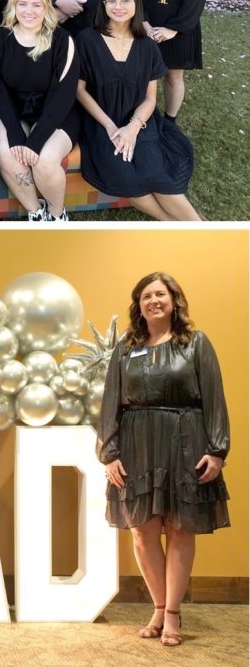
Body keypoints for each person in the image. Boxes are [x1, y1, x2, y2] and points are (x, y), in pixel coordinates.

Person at [98, 272, 230, 648]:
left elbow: (214, 398)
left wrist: (217, 449)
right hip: (137, 443)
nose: (153, 301)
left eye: (160, 294)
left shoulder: (196, 343)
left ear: (174, 300)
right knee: (141, 530)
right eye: (145, 296)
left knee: (178, 528)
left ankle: (171, 613)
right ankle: (158, 606)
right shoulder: (126, 347)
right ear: (138, 306)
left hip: (186, 441)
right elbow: (111, 400)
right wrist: (109, 452)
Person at [77, 0, 200, 220]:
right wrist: (111, 126)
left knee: (155, 172)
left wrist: (133, 127)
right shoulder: (87, 40)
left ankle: (200, 229)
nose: (118, 6)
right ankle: (175, 226)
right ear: (103, 5)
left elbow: (150, 98)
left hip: (139, 119)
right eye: (111, 0)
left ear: (136, 5)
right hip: (101, 121)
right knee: (125, 176)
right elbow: (80, 91)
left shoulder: (147, 45)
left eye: (125, 0)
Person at [0, 0, 80, 222]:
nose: (29, 11)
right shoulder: (0, 37)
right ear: (14, 6)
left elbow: (64, 94)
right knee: (8, 153)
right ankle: (35, 212)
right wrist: (17, 136)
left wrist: (35, 141)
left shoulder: (63, 40)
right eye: (23, 4)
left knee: (46, 160)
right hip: (12, 110)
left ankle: (57, 215)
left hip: (54, 111)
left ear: (47, 8)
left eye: (37, 5)